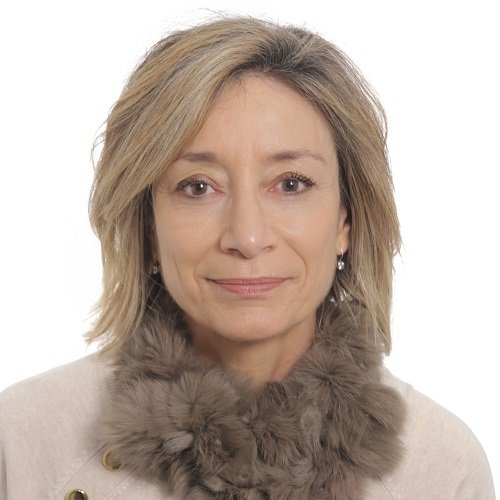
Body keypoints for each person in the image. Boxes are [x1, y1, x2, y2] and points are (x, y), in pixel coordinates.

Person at [0, 16, 495, 500]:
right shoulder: (24, 439)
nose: (248, 237)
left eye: (291, 184)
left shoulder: (440, 467)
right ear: (148, 226)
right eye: (198, 187)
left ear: (346, 221)